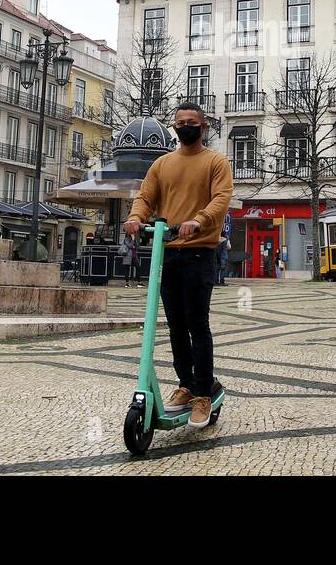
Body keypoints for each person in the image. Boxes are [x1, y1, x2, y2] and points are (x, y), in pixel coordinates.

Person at [123, 102, 232, 429]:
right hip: (167, 251)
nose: (186, 126)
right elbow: (146, 196)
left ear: (203, 127)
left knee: (197, 324)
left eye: (192, 122)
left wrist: (198, 221)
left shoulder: (215, 162)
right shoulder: (162, 164)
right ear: (175, 127)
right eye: (180, 122)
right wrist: (135, 216)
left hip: (200, 251)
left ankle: (203, 393)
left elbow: (221, 198)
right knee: (174, 324)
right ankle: (186, 384)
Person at [215, 213, 232, 286]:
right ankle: (221, 281)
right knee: (222, 268)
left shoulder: (216, 239)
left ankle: (217, 281)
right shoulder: (225, 240)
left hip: (217, 256)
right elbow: (228, 247)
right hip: (223, 257)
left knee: (217, 268)